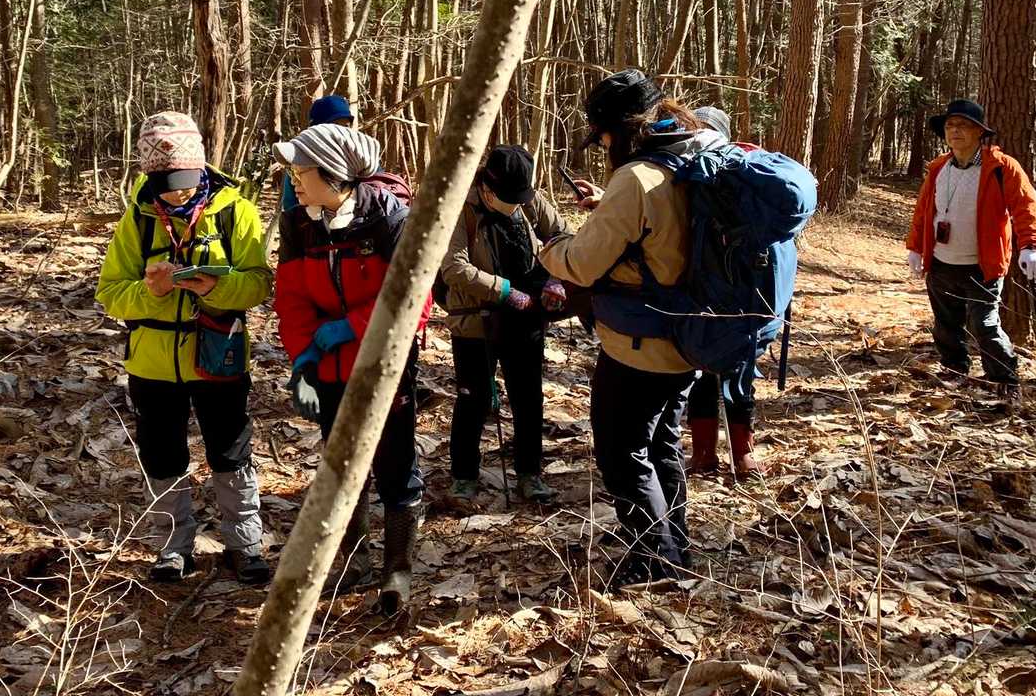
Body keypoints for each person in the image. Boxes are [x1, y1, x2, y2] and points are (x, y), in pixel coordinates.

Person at [538, 70, 724, 587]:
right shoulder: (689, 151)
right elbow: (664, 227)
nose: (601, 146)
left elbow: (582, 264)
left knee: (622, 452)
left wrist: (549, 248)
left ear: (617, 129)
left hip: (643, 343)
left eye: (600, 136)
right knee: (660, 443)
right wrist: (608, 207)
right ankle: (675, 549)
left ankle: (653, 562)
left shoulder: (636, 178)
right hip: (690, 336)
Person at [96, 112, 274, 585]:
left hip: (220, 354)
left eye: (185, 183)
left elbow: (259, 284)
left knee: (230, 451)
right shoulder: (137, 218)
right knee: (162, 455)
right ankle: (173, 546)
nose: (176, 194)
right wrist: (150, 292)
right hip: (152, 362)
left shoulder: (236, 211)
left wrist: (215, 288)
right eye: (166, 185)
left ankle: (246, 544)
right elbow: (111, 293)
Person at [273, 123, 428, 614]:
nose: (294, 181)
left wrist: (353, 326)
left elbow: (414, 298)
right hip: (328, 366)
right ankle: (354, 559)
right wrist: (302, 356)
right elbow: (291, 297)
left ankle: (397, 570)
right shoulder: (298, 224)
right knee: (340, 462)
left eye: (301, 172)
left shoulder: (392, 219)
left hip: (385, 362)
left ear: (333, 173)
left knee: (394, 462)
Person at [439, 145, 567, 504]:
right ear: (488, 189)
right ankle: (464, 477)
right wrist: (505, 291)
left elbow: (563, 236)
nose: (516, 205)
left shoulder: (529, 199)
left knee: (528, 397)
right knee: (473, 399)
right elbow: (454, 268)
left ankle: (530, 473)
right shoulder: (460, 208)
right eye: (508, 199)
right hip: (475, 320)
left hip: (527, 318)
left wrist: (556, 277)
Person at [905, 99, 1036, 392]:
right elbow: (923, 211)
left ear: (979, 132)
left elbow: (1027, 207)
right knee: (945, 325)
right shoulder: (938, 167)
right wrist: (915, 248)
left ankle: (1004, 380)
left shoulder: (1002, 167)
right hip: (941, 263)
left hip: (982, 266)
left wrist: (1031, 246)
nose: (955, 131)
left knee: (985, 325)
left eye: (964, 125)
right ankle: (954, 371)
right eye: (950, 125)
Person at [687, 106, 762, 479]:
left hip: (738, 287)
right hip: (697, 285)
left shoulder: (744, 174)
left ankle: (742, 451)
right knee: (699, 370)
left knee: (738, 370)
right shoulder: (687, 172)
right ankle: (704, 451)